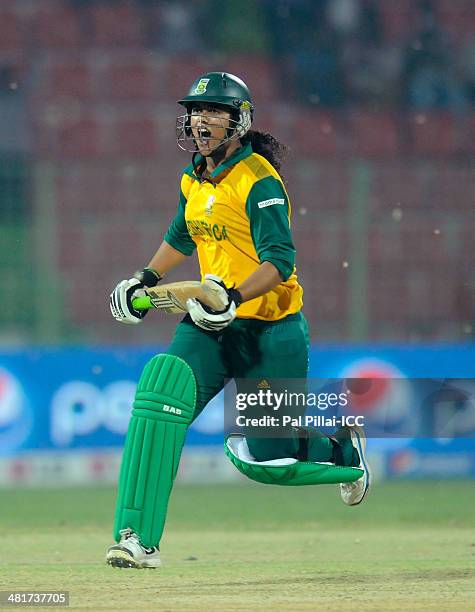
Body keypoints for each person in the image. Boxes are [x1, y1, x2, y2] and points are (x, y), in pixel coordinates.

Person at [106, 72, 371, 569]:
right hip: (208, 325)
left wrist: (233, 294)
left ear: (239, 121)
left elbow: (280, 262)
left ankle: (340, 452)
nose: (201, 120)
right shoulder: (193, 178)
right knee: (162, 397)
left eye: (214, 112)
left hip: (271, 331)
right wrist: (143, 277)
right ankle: (135, 539)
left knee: (269, 461)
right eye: (196, 111)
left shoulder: (259, 181)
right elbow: (182, 236)